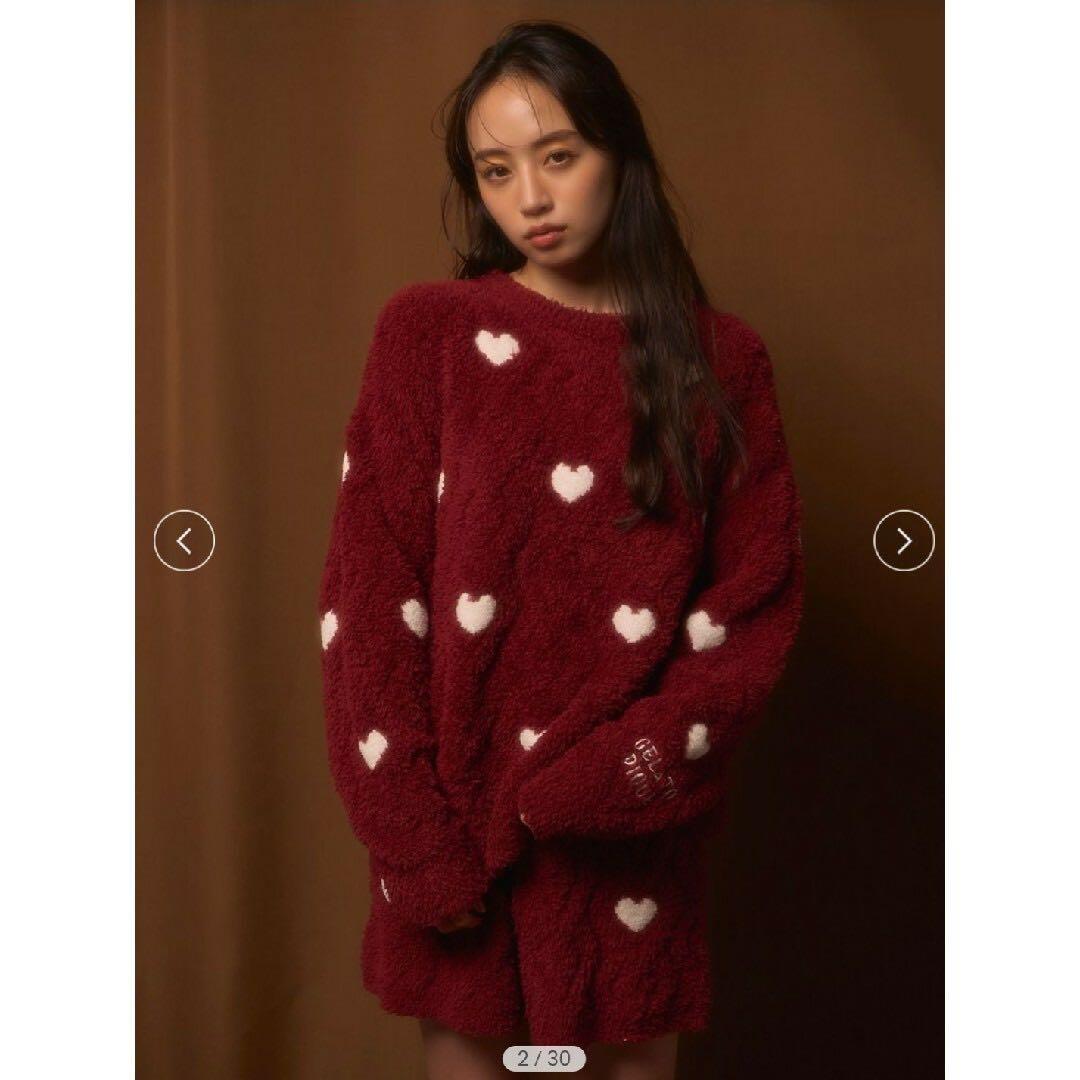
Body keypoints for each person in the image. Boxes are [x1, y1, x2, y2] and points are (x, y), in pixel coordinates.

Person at [317, 19, 804, 1080]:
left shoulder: (722, 363)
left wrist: (606, 783)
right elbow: (369, 599)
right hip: (461, 844)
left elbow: (749, 618)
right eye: (496, 171)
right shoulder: (429, 337)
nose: (530, 197)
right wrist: (415, 840)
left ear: (617, 152)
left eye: (558, 155)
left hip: (631, 856)